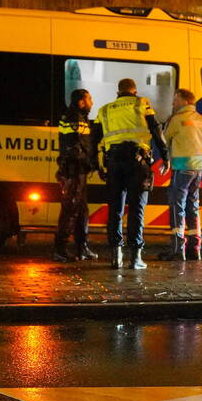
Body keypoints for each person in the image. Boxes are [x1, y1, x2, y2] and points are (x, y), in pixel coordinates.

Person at [91, 78, 168, 269]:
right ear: (134, 91)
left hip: (114, 163)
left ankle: (115, 257)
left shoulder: (105, 109)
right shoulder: (141, 103)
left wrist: (97, 165)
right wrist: (165, 155)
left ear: (118, 92)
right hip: (137, 162)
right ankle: (135, 258)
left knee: (115, 210)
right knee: (136, 209)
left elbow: (94, 140)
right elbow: (155, 129)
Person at [158, 88, 202, 261]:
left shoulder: (177, 119)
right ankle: (195, 248)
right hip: (197, 169)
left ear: (184, 101)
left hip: (181, 168)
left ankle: (177, 248)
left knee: (176, 206)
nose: (173, 103)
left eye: (175, 100)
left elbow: (164, 140)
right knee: (193, 205)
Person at [53, 89, 99, 262]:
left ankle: (82, 247)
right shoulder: (74, 118)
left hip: (78, 171)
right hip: (74, 171)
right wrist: (90, 163)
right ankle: (60, 249)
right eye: (89, 99)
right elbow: (75, 147)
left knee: (81, 211)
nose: (92, 102)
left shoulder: (78, 117)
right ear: (81, 102)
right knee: (70, 209)